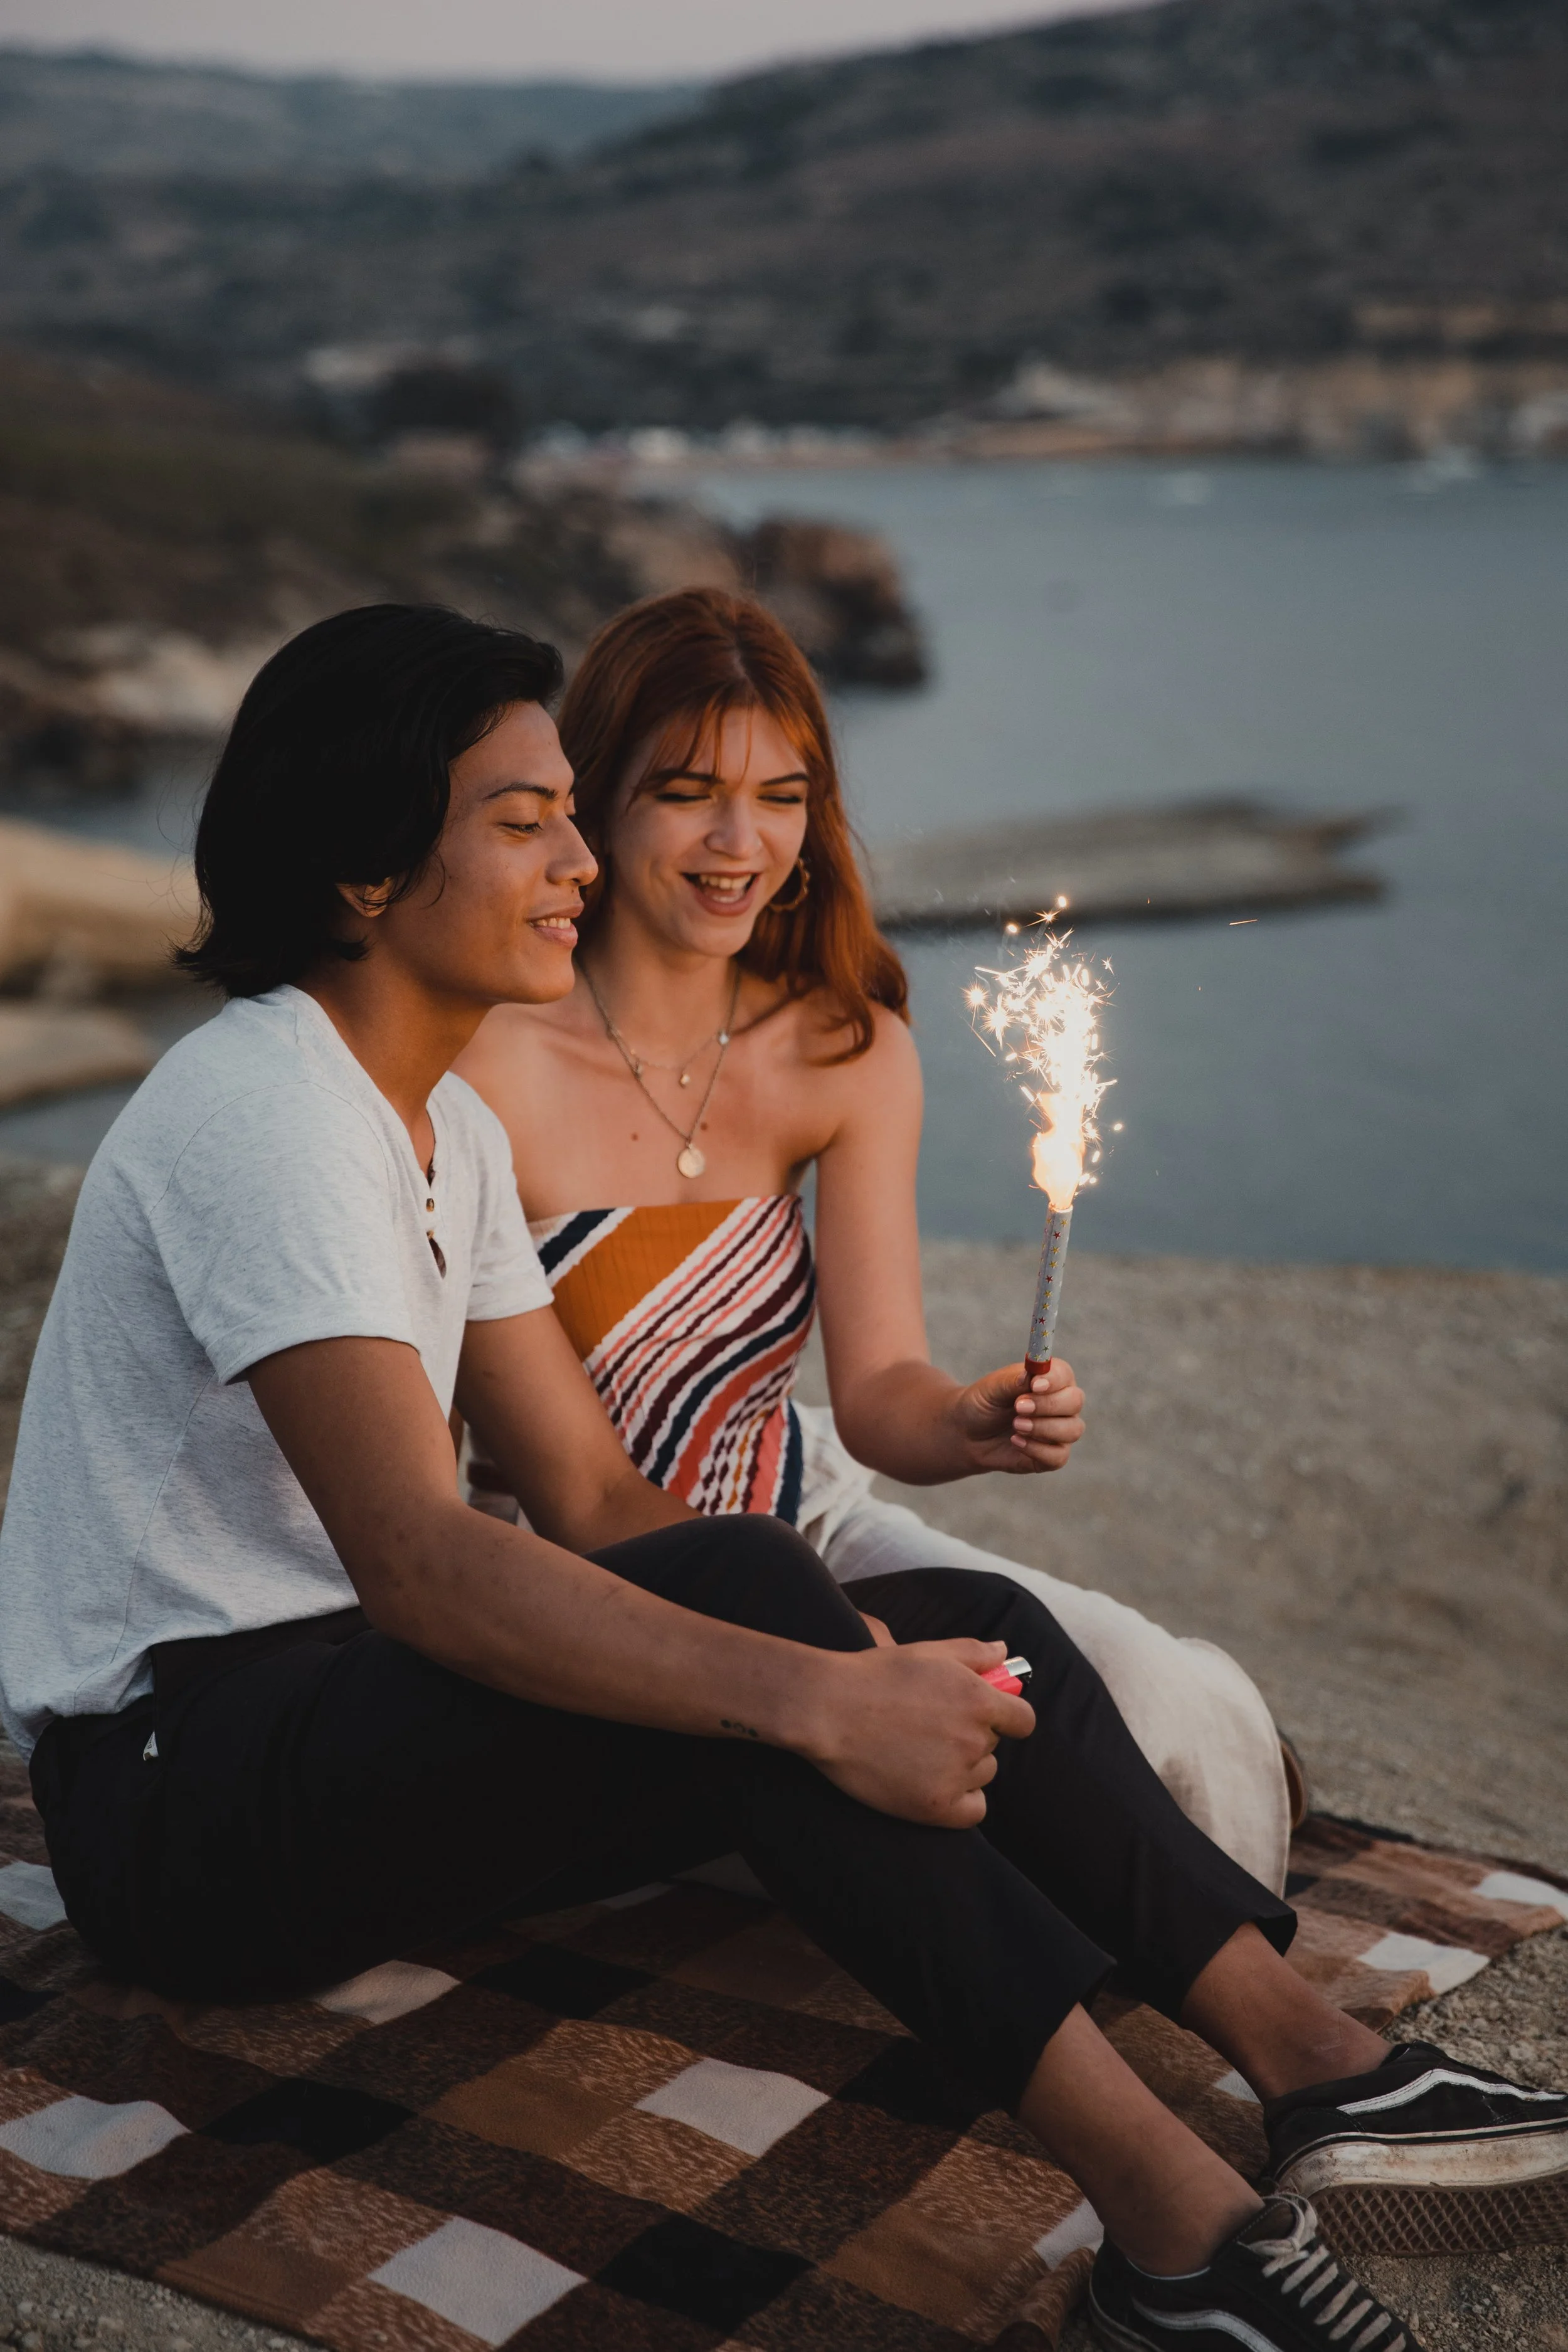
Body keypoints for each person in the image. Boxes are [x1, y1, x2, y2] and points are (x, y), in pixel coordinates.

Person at [5, 604, 1562, 2352]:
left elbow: (591, 1493)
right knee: (784, 1628)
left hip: (348, 1719)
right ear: (370, 868)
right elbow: (423, 1564)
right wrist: (816, 1695)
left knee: (960, 1617)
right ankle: (1177, 2235)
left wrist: (874, 1657)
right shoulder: (266, 1108)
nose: (583, 860)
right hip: (176, 1788)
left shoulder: (433, 1119)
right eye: (529, 820)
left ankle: (1325, 2066)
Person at [455, 588, 1293, 1891]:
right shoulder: (479, 1061)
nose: (741, 842)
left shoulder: (845, 1048)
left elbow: (878, 1393)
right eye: (687, 791)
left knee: (1124, 1687)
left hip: (807, 1525)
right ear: (595, 796)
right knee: (829, 1788)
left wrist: (967, 1421)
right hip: (576, 1581)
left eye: (782, 796)